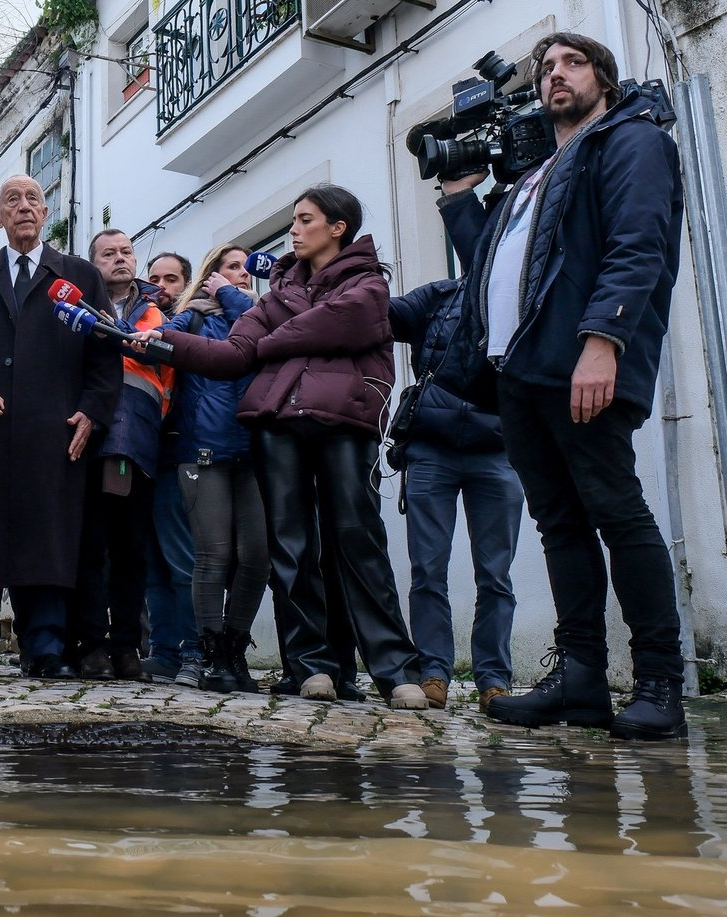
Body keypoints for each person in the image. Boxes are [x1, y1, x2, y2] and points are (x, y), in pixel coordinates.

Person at [439, 32, 687, 740]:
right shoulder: (534, 177)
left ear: (603, 80)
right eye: (546, 67)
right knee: (560, 526)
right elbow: (492, 267)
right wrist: (462, 199)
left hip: (581, 361)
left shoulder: (630, 140)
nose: (555, 75)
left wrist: (603, 340)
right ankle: (579, 679)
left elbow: (638, 244)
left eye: (572, 63)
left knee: (618, 514)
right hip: (521, 372)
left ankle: (660, 681)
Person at [142, 184, 429, 710]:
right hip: (279, 423)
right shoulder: (276, 293)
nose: (292, 230)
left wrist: (271, 342)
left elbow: (341, 323)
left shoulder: (367, 283)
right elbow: (232, 354)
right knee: (291, 548)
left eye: (304, 219)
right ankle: (312, 666)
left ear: (336, 227)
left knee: (356, 541)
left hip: (345, 421)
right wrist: (165, 341)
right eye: (294, 220)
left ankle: (393, 667)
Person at [0, 174, 121, 680]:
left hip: (54, 428)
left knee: (49, 535)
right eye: (12, 200)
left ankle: (45, 648)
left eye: (34, 199)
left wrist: (93, 410)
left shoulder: (80, 275)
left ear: (46, 214)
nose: (24, 207)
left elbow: (106, 356)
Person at [389, 278, 523, 711]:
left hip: (499, 449)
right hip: (431, 448)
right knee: (427, 570)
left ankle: (494, 680)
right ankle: (433, 672)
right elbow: (385, 314)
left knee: (496, 575)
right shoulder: (439, 295)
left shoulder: (520, 288)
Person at [155, 244, 269, 692]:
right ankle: (212, 654)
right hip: (203, 449)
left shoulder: (262, 315)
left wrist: (235, 295)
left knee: (257, 559)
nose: (242, 274)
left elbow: (263, 328)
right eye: (231, 268)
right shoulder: (195, 317)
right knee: (213, 556)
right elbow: (156, 342)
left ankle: (236, 650)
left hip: (254, 450)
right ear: (210, 276)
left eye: (245, 268)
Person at [71, 228, 173, 681]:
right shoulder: (74, 309)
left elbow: (159, 364)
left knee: (131, 550)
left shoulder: (156, 311)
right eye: (108, 253)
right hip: (85, 441)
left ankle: (127, 646)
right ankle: (92, 644)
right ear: (93, 263)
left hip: (139, 441)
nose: (119, 259)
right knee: (89, 547)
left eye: (126, 251)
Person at [138, 252, 199, 683]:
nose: (163, 286)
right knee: (152, 563)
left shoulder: (193, 326)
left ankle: (195, 651)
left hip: (180, 453)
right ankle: (163, 652)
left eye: (173, 279)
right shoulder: (141, 323)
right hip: (144, 454)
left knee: (181, 559)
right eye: (155, 278)